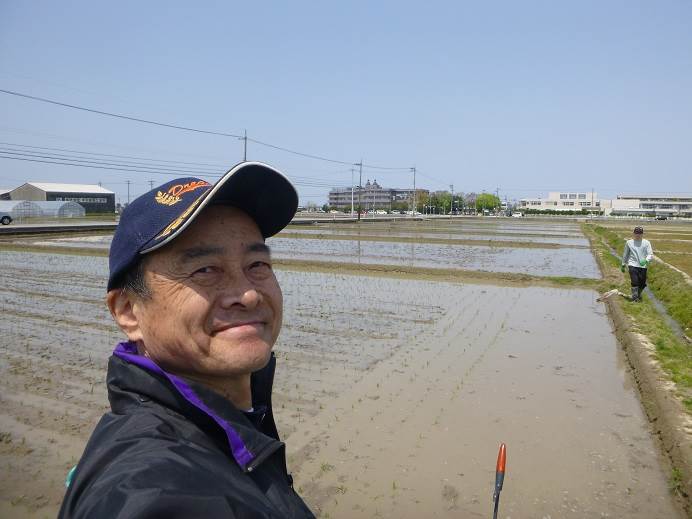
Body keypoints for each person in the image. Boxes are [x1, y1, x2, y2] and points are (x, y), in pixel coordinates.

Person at [59, 162, 315, 518]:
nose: (250, 295)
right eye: (205, 270)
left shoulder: (225, 427)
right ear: (129, 312)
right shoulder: (153, 484)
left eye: (257, 264)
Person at [620, 226, 654, 302]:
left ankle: (638, 295)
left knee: (642, 283)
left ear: (642, 234)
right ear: (633, 233)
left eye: (639, 233)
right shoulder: (629, 242)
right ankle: (635, 298)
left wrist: (646, 260)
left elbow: (650, 254)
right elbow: (626, 254)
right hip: (632, 264)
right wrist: (623, 264)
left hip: (643, 265)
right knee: (635, 281)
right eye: (636, 233)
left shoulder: (647, 243)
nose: (638, 235)